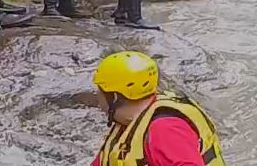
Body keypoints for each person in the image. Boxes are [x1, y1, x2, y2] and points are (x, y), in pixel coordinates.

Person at [90, 51, 226, 166]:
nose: (98, 99)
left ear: (114, 97)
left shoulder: (165, 129)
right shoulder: (128, 123)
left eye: (100, 91)